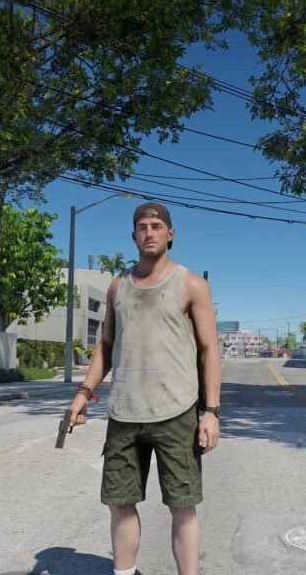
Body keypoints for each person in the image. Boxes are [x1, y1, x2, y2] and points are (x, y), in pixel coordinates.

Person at [66, 202, 222, 575]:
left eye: (156, 225)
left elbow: (209, 349)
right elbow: (106, 345)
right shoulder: (117, 287)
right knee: (119, 504)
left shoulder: (191, 284)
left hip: (177, 412)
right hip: (124, 412)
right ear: (133, 236)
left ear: (170, 233)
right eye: (142, 226)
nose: (149, 232)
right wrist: (83, 394)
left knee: (182, 506)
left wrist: (211, 412)